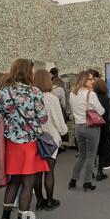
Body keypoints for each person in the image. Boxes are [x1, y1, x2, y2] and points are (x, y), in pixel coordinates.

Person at [0, 59, 49, 219]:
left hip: (12, 146)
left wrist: (12, 121)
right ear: (28, 72)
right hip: (30, 145)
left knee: (14, 181)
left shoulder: (4, 92)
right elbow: (43, 118)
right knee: (28, 185)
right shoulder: (35, 92)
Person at [33, 69, 68, 210]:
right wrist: (64, 132)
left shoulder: (31, 97)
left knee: (36, 173)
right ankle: (49, 201)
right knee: (49, 171)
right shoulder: (52, 98)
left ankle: (39, 201)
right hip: (51, 139)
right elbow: (60, 123)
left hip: (35, 139)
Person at [68, 71, 105, 192]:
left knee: (81, 155)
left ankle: (73, 180)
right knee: (91, 156)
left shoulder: (73, 93)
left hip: (78, 127)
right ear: (84, 80)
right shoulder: (91, 94)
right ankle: (87, 182)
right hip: (91, 127)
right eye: (90, 79)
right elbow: (101, 111)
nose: (93, 81)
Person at [93, 79, 110, 182]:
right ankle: (100, 172)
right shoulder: (108, 100)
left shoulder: (92, 98)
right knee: (103, 150)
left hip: (93, 126)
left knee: (92, 150)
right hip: (106, 127)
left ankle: (90, 172)